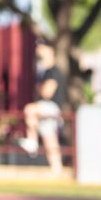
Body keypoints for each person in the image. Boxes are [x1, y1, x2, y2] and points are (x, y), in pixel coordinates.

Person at [19, 40, 66, 173]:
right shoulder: (45, 71)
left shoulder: (53, 71)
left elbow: (47, 92)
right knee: (49, 139)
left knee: (30, 109)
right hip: (48, 108)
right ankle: (57, 168)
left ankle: (32, 141)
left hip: (51, 107)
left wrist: (40, 88)